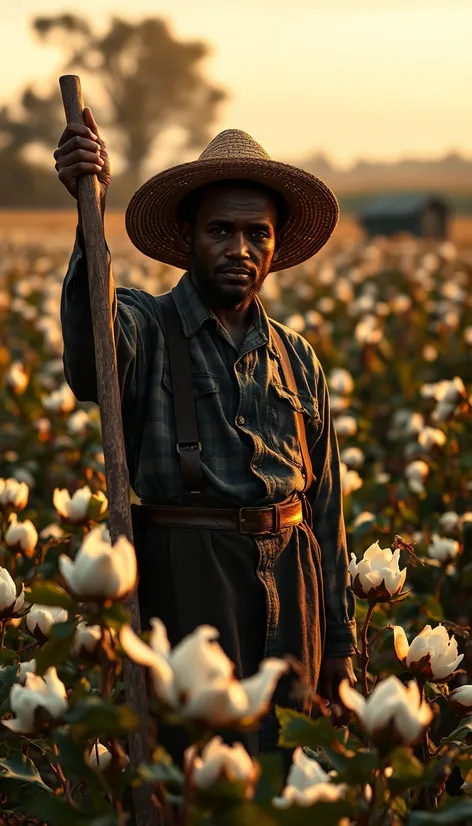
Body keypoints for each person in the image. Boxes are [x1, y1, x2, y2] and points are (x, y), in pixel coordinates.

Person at [54, 108, 356, 753]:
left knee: (286, 765)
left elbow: (326, 506)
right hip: (190, 573)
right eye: (221, 230)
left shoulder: (298, 358)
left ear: (277, 246)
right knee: (199, 760)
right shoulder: (143, 326)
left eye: (257, 233)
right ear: (188, 236)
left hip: (294, 577)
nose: (240, 249)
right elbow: (91, 356)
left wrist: (337, 639)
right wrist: (90, 216)